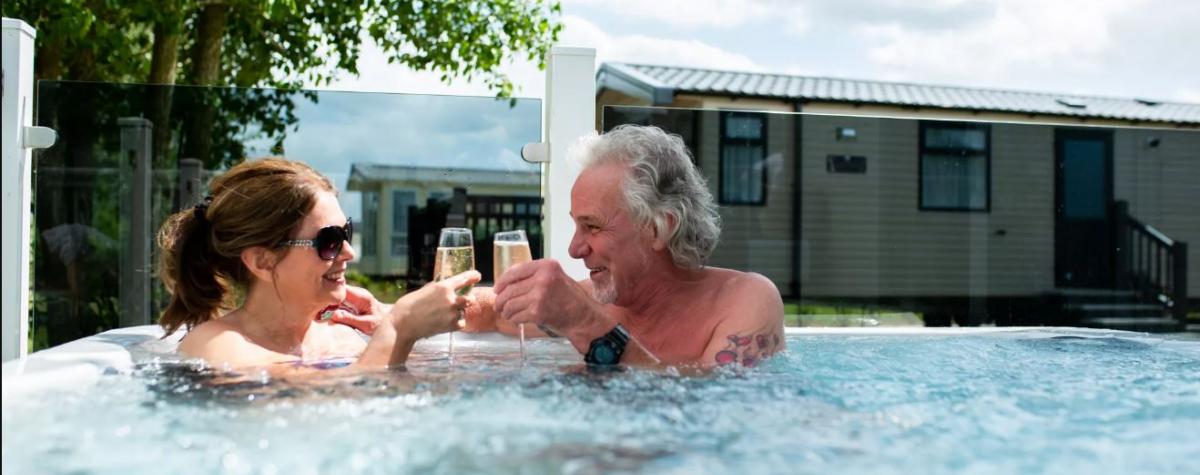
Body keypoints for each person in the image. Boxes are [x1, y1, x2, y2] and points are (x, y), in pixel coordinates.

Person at [478, 125, 785, 367]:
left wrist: (586, 323)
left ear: (657, 228)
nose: (574, 249)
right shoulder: (589, 301)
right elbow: (494, 311)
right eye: (576, 225)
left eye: (593, 226)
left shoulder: (745, 300)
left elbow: (713, 409)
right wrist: (435, 302)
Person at [157, 157, 479, 369]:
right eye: (329, 241)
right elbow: (319, 411)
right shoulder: (215, 346)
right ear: (262, 260)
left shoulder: (344, 339)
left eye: (346, 233)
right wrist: (399, 328)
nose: (349, 253)